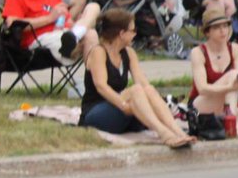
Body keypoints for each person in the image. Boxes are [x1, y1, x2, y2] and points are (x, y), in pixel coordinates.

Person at [79, 8, 194, 148]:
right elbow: (101, 86)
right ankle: (164, 133)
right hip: (97, 112)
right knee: (135, 90)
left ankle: (177, 132)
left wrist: (157, 104)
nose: (135, 34)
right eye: (133, 30)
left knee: (147, 89)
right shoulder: (99, 52)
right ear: (121, 33)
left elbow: (143, 83)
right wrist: (124, 105)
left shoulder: (128, 53)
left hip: (120, 111)